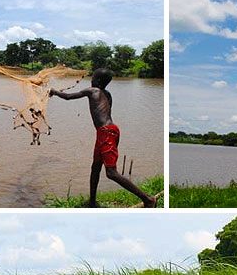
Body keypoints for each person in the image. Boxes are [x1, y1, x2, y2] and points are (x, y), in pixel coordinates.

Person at [49, 68, 157, 208]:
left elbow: (68, 97)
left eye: (93, 78)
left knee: (111, 173)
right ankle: (92, 202)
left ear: (98, 81)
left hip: (107, 133)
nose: (91, 80)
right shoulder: (108, 94)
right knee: (95, 168)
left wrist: (54, 91)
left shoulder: (92, 91)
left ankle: (147, 199)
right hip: (106, 132)